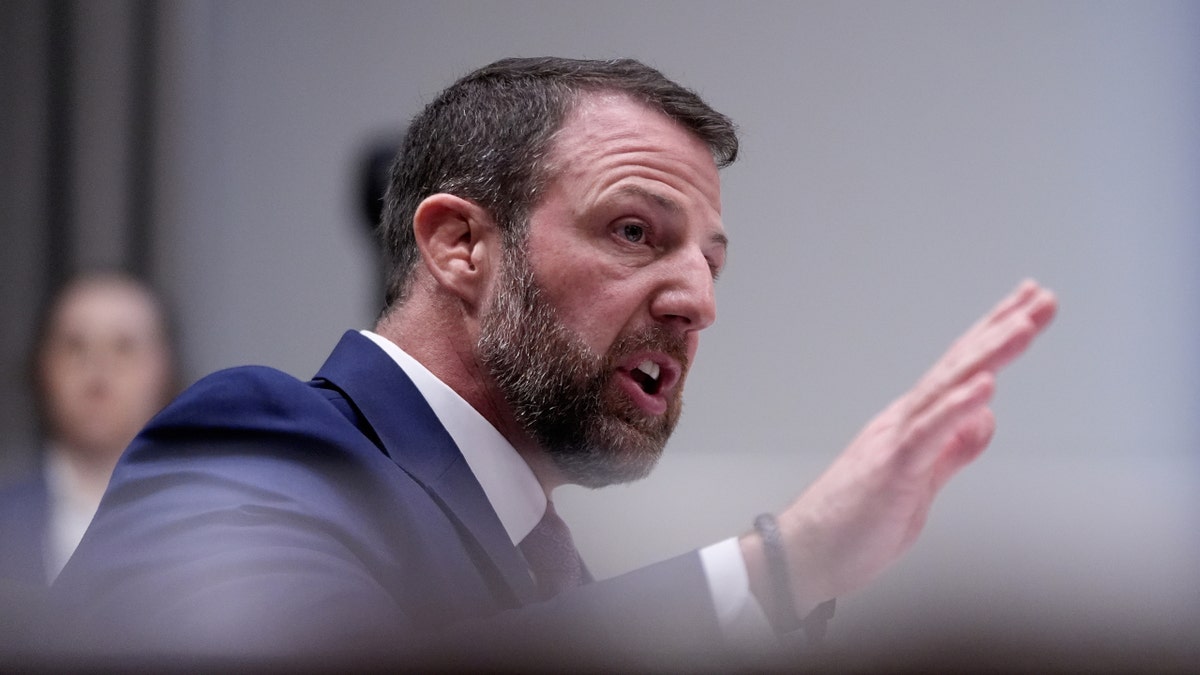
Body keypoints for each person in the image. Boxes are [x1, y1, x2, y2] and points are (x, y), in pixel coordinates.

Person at [44, 58, 1056, 668]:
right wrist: (782, 567)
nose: (696, 300)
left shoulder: (552, 570)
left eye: (709, 261)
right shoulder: (255, 441)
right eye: (632, 231)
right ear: (460, 246)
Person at [0, 271, 178, 586]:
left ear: (164, 369)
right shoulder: (6, 516)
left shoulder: (207, 522)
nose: (99, 372)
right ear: (42, 367)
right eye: (74, 347)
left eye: (124, 347)